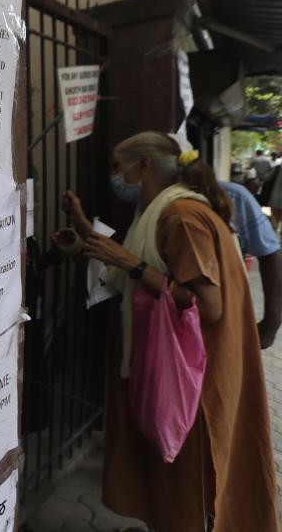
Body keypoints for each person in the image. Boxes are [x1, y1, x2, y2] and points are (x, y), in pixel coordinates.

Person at [60, 131, 277, 532]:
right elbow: (142, 264)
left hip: (191, 374)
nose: (115, 176)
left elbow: (208, 306)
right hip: (184, 367)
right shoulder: (163, 211)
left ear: (144, 167)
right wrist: (84, 228)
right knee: (167, 476)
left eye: (118, 166)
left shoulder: (181, 217)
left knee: (186, 477)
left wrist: (132, 265)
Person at [219, 179, 282, 348]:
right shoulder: (142, 198)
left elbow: (269, 252)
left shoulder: (233, 195)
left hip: (223, 317)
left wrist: (272, 321)